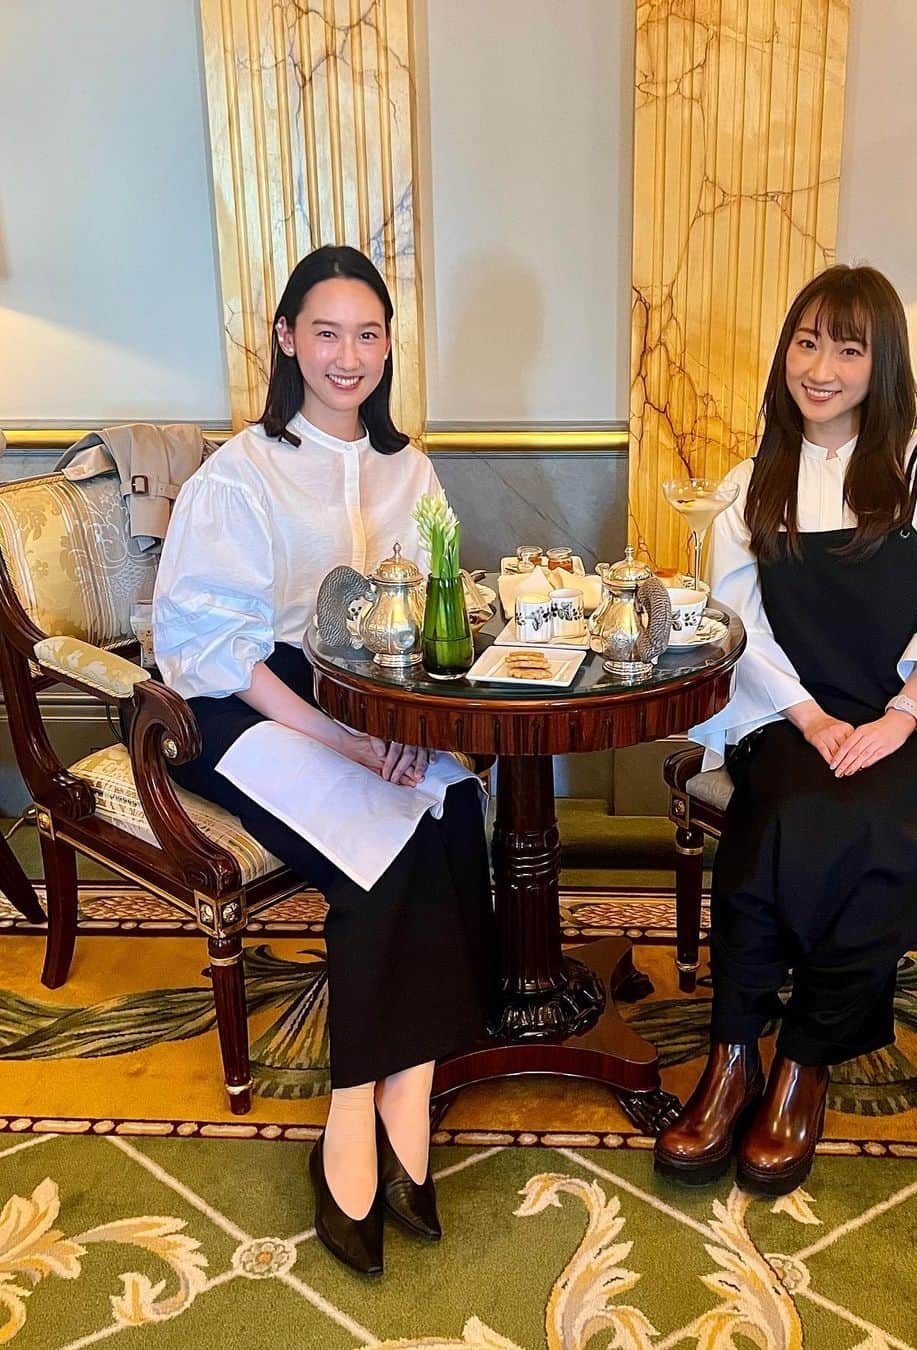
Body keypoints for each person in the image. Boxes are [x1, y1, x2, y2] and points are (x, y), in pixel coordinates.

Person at [153, 245, 495, 1273]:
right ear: (287, 339)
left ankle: (410, 1088)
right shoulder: (241, 473)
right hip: (249, 705)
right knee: (376, 843)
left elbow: (438, 605)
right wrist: (346, 739)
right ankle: (355, 1113)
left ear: (389, 348)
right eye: (328, 332)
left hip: (376, 697)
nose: (349, 358)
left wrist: (405, 725)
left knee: (453, 810)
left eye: (370, 334)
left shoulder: (412, 469)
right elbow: (213, 648)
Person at [655, 265, 917, 1195]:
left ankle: (802, 1059)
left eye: (847, 349)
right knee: (779, 815)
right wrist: (812, 717)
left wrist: (900, 717)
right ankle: (734, 1053)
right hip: (791, 709)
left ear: (880, 361)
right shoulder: (751, 483)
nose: (820, 367)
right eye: (806, 342)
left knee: (875, 826)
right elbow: (739, 628)